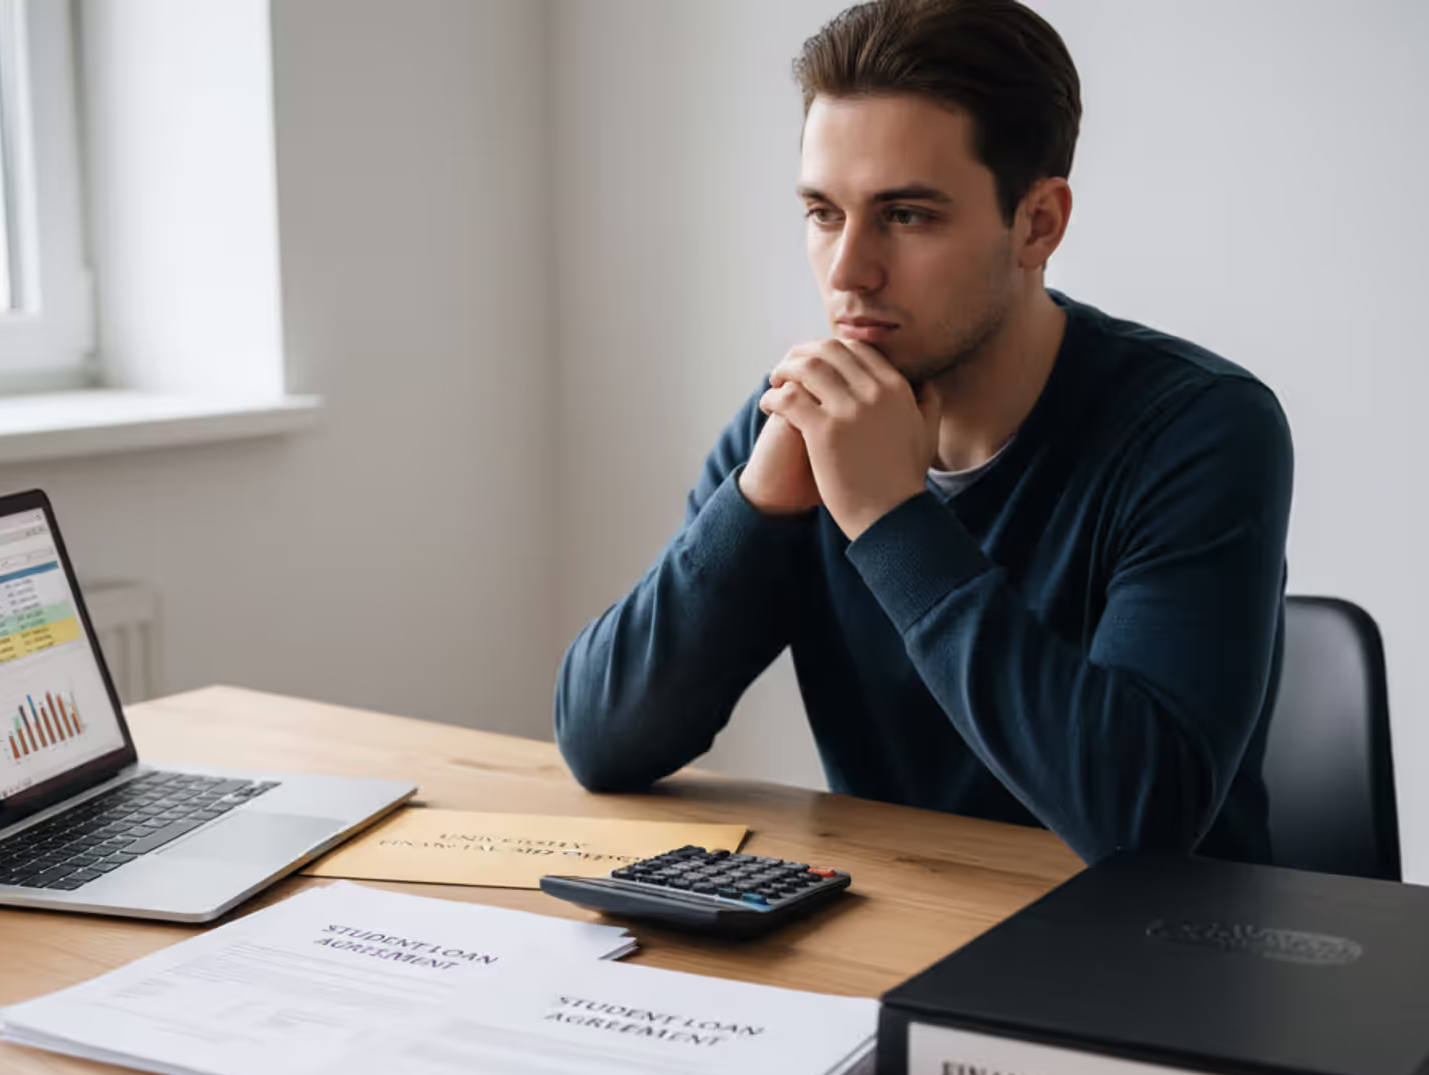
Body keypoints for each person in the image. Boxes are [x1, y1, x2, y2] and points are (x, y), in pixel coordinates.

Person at [554, 0, 1293, 865]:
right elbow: (602, 741)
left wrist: (890, 520)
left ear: (1038, 223)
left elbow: (1139, 822)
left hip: (1151, 971)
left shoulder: (1199, 429)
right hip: (899, 935)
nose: (848, 271)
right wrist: (756, 507)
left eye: (906, 216)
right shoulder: (802, 419)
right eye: (824, 213)